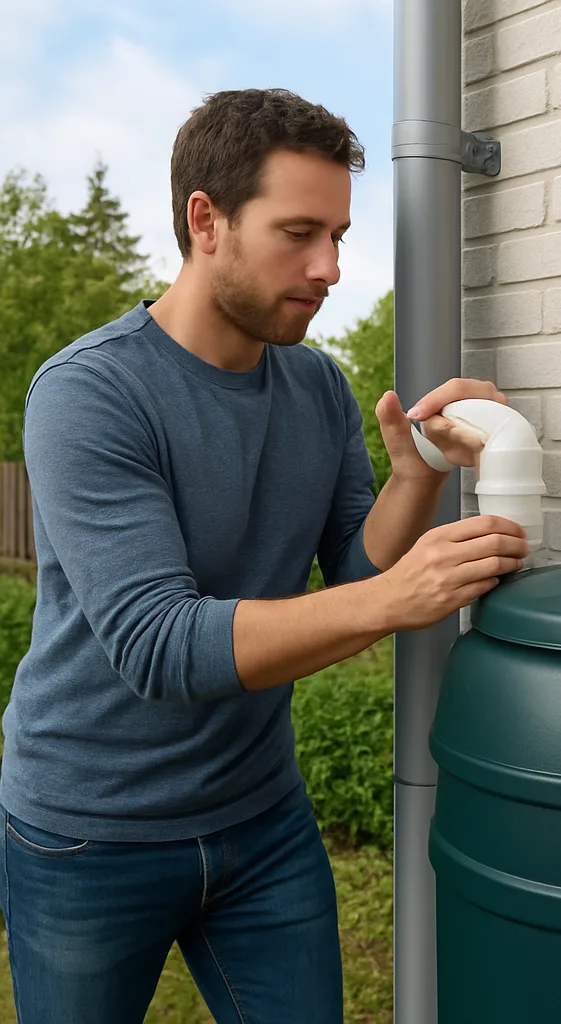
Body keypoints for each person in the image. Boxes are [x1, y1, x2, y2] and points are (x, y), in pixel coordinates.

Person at [0, 87, 528, 1024]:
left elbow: (355, 582)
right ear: (206, 220)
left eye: (339, 235)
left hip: (261, 817)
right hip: (89, 833)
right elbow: (161, 648)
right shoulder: (89, 394)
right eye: (299, 233)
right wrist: (399, 598)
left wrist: (418, 477)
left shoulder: (318, 385)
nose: (329, 267)